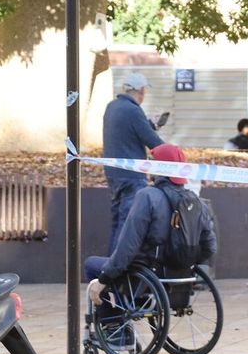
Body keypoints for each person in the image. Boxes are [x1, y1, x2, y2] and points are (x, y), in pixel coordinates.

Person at [84, 142, 217, 297]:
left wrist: (105, 277)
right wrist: (185, 263)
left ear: (158, 168)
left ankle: (113, 318)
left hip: (146, 273)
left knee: (91, 264)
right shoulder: (197, 203)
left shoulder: (147, 196)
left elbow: (128, 244)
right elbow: (210, 247)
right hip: (180, 275)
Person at [102, 72, 165, 252]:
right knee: (127, 223)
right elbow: (152, 141)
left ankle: (108, 266)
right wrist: (172, 156)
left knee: (117, 221)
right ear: (141, 90)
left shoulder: (112, 107)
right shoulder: (133, 110)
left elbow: (126, 132)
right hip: (132, 175)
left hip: (113, 173)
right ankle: (119, 270)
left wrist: (149, 125)